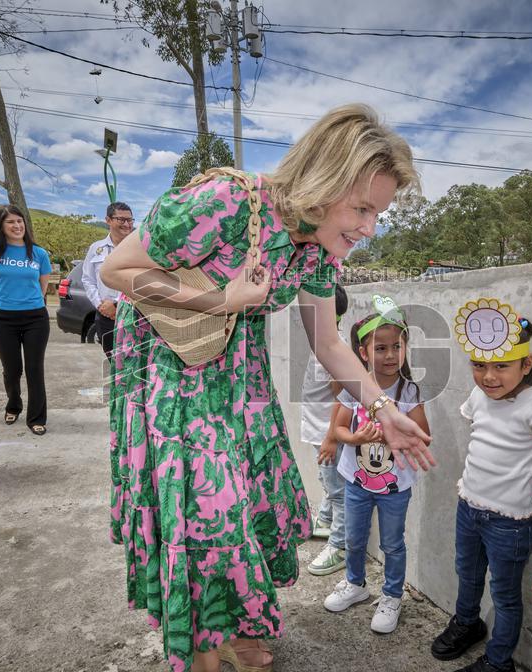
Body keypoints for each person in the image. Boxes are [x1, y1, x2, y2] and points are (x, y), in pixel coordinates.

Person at [100, 103, 434, 672]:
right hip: (174, 376)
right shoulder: (227, 202)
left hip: (240, 380)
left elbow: (329, 345)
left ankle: (234, 628)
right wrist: (220, 299)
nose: (369, 228)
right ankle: (204, 649)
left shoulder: (321, 251)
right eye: (361, 208)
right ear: (323, 180)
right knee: (207, 511)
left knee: (249, 505)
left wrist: (384, 407)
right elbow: (117, 271)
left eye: (378, 213)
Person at [431, 303, 532, 672]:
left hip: (509, 522)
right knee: (468, 572)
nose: (489, 376)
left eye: (501, 366)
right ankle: (467, 623)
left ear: (526, 364)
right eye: (479, 365)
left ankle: (498, 661)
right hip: (469, 507)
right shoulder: (478, 397)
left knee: (506, 596)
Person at [322, 298, 430, 634]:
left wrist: (392, 436)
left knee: (392, 544)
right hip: (355, 482)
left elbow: (423, 436)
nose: (390, 355)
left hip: (394, 487)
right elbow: (338, 428)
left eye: (396, 346)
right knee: (354, 539)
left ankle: (392, 595)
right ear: (364, 353)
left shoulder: (409, 391)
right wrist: (353, 440)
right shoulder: (356, 388)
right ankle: (355, 584)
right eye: (380, 348)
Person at [0, 205, 51, 436]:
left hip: (35, 318)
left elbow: (43, 285)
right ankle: (13, 405)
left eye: (20, 221)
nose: (17, 226)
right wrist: (6, 301)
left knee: (34, 368)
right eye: (10, 222)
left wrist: (30, 302)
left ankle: (37, 417)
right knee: (12, 369)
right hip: (2, 318)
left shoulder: (38, 253)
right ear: (0, 226)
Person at [303, 284, 349, 577]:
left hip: (326, 431)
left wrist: (332, 436)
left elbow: (341, 394)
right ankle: (326, 520)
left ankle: (341, 545)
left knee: (338, 489)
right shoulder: (323, 341)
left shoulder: (334, 347)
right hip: (318, 427)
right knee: (327, 480)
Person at [81, 201, 134, 357]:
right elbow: (88, 279)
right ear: (108, 220)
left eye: (130, 220)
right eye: (121, 220)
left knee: (134, 363)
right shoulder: (96, 248)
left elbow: (140, 281)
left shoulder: (138, 248)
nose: (127, 224)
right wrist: (100, 304)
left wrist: (117, 304)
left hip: (132, 314)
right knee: (113, 362)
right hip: (105, 315)